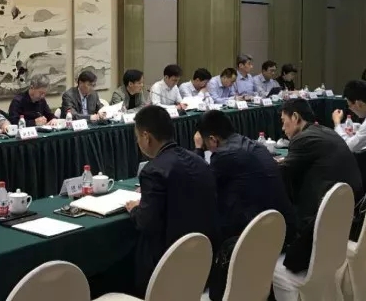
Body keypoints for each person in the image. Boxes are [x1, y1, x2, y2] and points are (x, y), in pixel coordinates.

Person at [195, 110, 297, 301]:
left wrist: (199, 149)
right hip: (282, 229)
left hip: (256, 238)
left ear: (213, 140)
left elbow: (201, 184)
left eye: (208, 144)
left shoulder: (224, 155)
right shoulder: (256, 146)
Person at [125, 106, 219, 297]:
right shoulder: (199, 161)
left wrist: (135, 208)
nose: (138, 142)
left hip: (168, 267)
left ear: (146, 137)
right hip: (205, 259)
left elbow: (146, 222)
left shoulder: (153, 171)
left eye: (137, 137)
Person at [278, 99, 362, 270]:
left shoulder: (302, 139)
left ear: (295, 117)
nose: (282, 128)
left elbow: (282, 173)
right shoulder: (325, 130)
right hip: (349, 206)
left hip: (323, 215)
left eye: (283, 121)